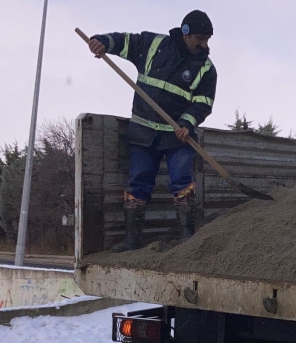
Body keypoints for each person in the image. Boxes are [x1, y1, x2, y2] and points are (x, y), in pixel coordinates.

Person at [89, 10, 218, 251]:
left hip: (177, 136)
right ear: (186, 33)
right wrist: (102, 42)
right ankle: (132, 240)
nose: (204, 44)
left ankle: (187, 236)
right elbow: (126, 42)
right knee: (138, 183)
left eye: (207, 39)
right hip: (143, 132)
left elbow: (203, 104)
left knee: (182, 183)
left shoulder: (206, 69)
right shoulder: (153, 45)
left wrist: (187, 123)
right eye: (200, 38)